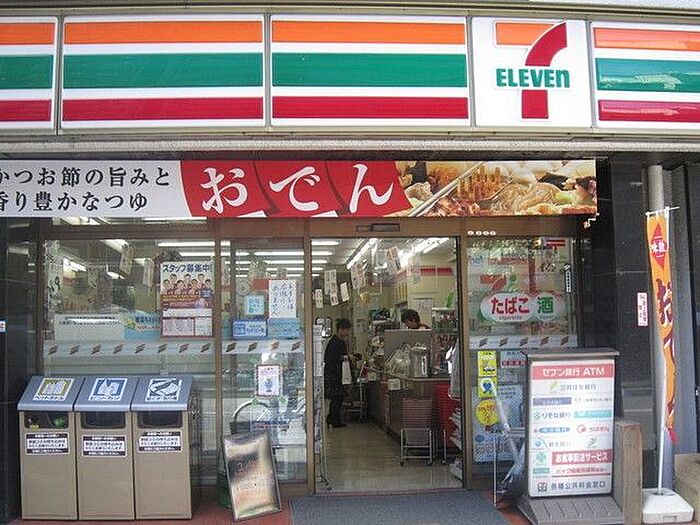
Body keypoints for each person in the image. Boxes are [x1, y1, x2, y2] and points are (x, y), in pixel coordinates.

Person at [324, 318, 352, 428]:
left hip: (337, 373)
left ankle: (332, 418)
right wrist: (346, 357)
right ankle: (334, 420)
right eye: (346, 330)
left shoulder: (338, 341)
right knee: (337, 397)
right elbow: (333, 358)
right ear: (341, 329)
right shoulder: (334, 342)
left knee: (337, 398)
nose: (347, 333)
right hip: (334, 374)